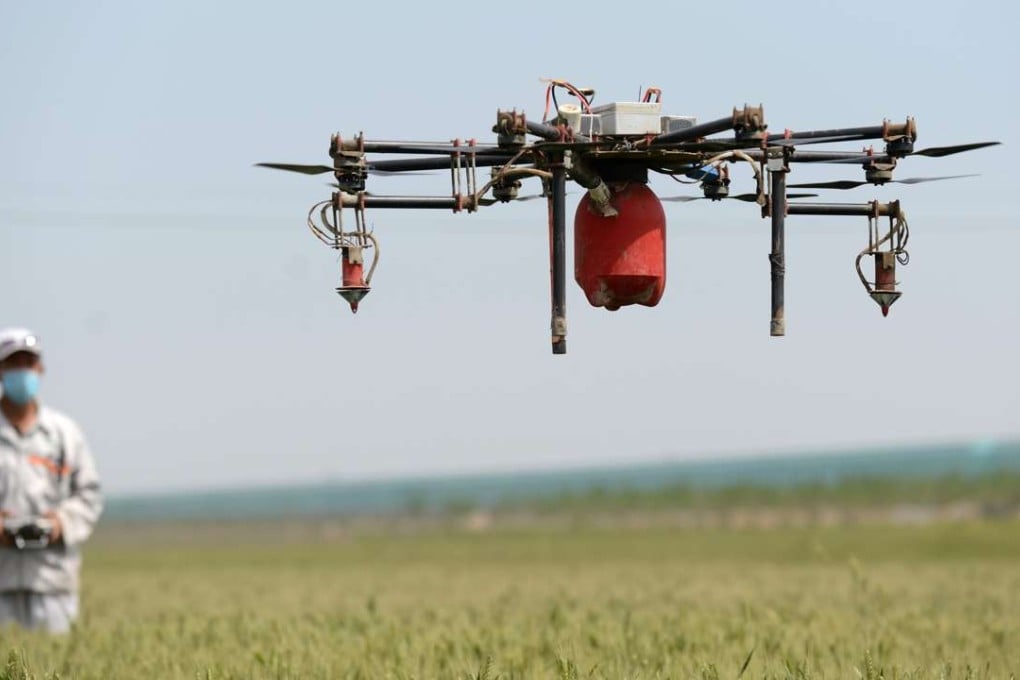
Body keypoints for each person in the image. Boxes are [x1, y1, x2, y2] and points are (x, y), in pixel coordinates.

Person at [0, 328, 102, 633]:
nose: (21, 372)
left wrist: (59, 523)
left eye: (27, 363)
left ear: (40, 368)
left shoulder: (64, 434)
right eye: (13, 364)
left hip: (52, 581)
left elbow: (89, 495)